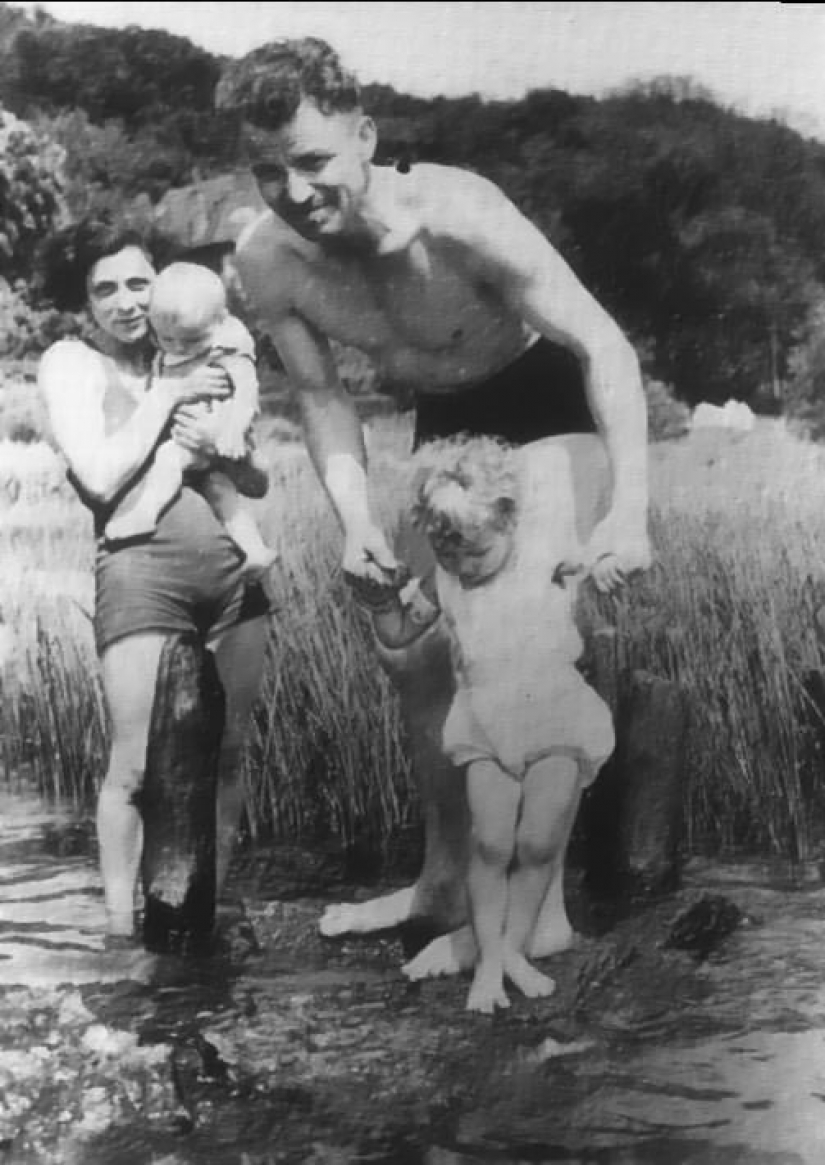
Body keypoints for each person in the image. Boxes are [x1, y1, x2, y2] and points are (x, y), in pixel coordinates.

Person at [216, 38, 650, 967]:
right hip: (443, 422)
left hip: (540, 398)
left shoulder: (459, 212)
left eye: (310, 160)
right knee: (415, 657)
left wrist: (629, 514)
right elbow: (324, 399)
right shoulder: (267, 262)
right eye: (266, 171)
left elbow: (604, 345)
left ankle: (541, 913)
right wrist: (357, 521)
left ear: (363, 134)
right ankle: (443, 883)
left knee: (524, 643)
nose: (292, 192)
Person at [38, 217, 271, 940]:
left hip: (234, 575)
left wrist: (222, 446)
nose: (125, 301)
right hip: (143, 575)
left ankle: (207, 909)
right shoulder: (71, 363)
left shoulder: (205, 347)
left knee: (228, 752)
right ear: (83, 304)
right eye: (103, 289)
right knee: (134, 764)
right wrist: (170, 397)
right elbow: (102, 474)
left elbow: (253, 477)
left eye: (137, 281)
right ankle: (119, 930)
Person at [372, 434, 614, 1012]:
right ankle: (488, 964)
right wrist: (378, 602)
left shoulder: (547, 552)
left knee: (537, 843)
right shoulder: (445, 579)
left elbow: (597, 556)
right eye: (447, 552)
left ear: (509, 522)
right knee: (489, 842)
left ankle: (511, 951)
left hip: (556, 715)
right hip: (484, 720)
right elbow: (400, 633)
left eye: (475, 552)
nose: (462, 565)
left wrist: (606, 561)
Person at [105, 261, 278, 581]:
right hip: (193, 435)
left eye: (191, 340)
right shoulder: (167, 340)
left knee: (169, 459)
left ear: (221, 320)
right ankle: (254, 550)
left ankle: (144, 513)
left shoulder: (227, 346)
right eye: (169, 340)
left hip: (220, 432)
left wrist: (233, 430)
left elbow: (247, 391)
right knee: (220, 489)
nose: (179, 348)